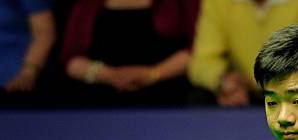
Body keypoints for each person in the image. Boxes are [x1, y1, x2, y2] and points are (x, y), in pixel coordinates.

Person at [188, 0, 298, 106]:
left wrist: (261, 83)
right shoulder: (218, 3)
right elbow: (202, 60)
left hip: (291, 91)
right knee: (199, 96)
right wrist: (223, 81)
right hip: (241, 95)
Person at [58, 0, 198, 106]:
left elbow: (197, 48)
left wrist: (153, 74)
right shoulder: (88, 4)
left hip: (169, 98)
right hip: (98, 101)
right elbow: (70, 58)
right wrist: (110, 75)